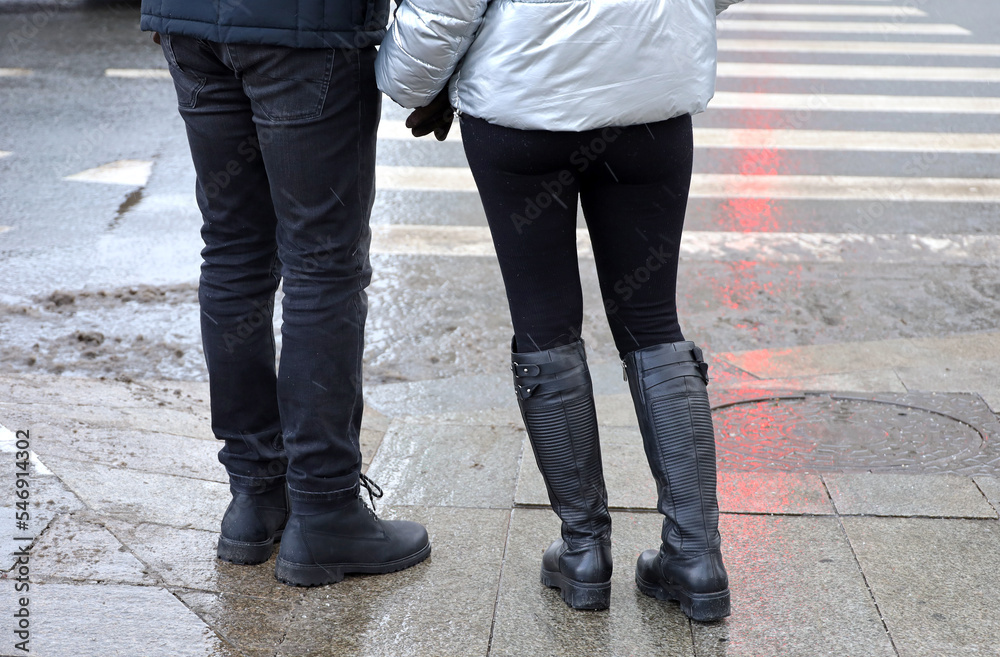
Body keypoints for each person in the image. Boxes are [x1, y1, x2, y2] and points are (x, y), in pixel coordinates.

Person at [376, 0, 742, 620]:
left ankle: (582, 552)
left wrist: (416, 84)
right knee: (652, 323)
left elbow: (443, 9)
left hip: (522, 101)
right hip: (648, 98)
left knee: (543, 323)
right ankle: (695, 555)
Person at [140, 0, 430, 586]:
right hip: (305, 29)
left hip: (191, 23)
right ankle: (324, 510)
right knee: (322, 265)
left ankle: (254, 499)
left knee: (233, 252)